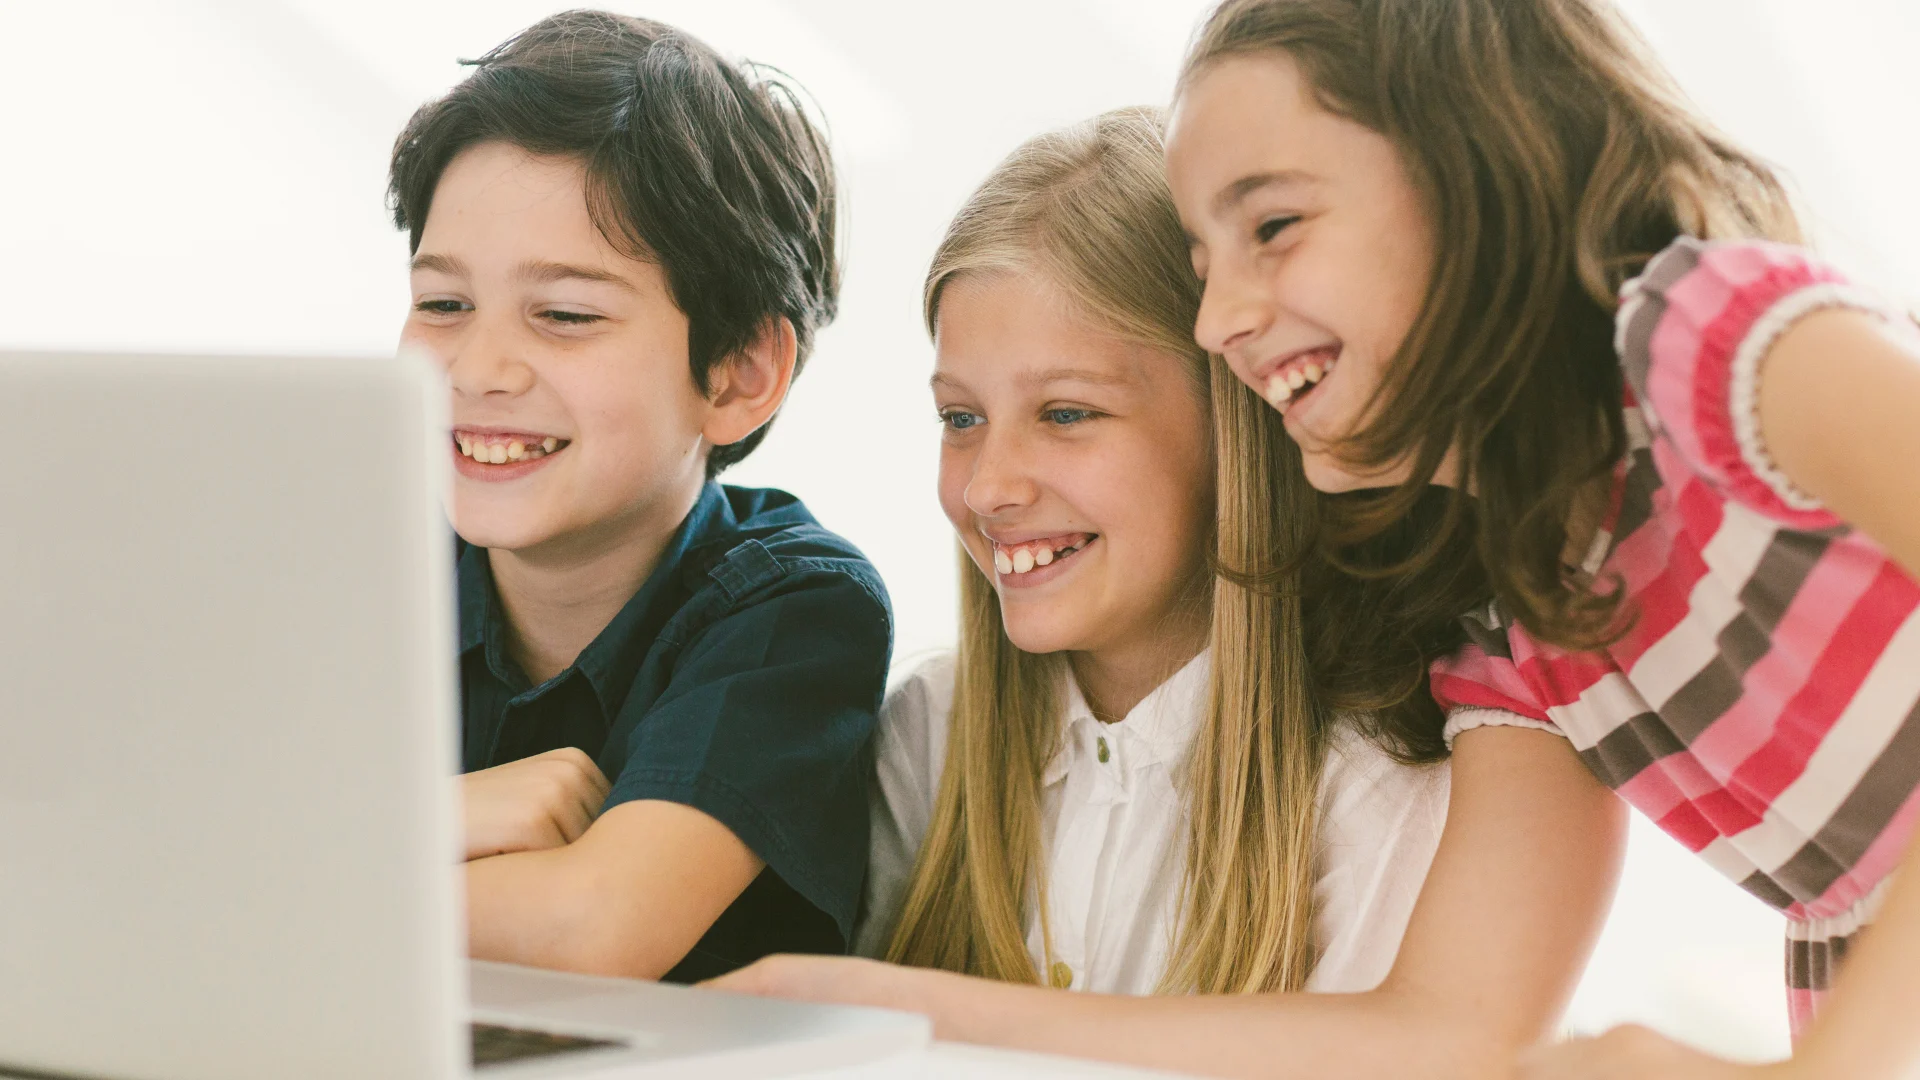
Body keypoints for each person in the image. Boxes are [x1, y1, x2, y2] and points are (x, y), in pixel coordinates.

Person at [711, 107, 1625, 1080]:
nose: (989, 486)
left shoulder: (1390, 784)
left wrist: (915, 1012)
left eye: (1067, 413)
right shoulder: (925, 735)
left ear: (1241, 428)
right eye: (960, 417)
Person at [1164, 1, 1920, 1078]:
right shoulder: (1518, 635)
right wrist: (909, 1009)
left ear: (1477, 171)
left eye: (1274, 227)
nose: (1217, 320)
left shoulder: (1708, 335)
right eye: (1201, 266)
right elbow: (1447, 1026)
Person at [387, 11, 891, 983]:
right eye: (443, 303)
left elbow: (591, 929)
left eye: (566, 315)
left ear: (742, 371)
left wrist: (293, 856)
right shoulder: (356, 565)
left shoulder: (794, 608)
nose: (480, 366)